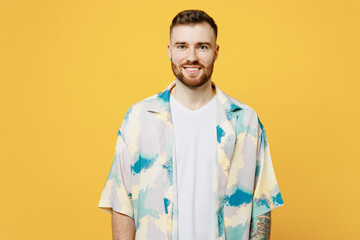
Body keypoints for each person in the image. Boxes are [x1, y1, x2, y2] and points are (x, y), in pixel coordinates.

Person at [98, 9, 284, 240]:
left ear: (216, 52)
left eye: (202, 46)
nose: (192, 56)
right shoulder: (139, 118)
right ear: (170, 51)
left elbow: (261, 206)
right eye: (182, 46)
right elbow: (122, 205)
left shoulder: (245, 121)